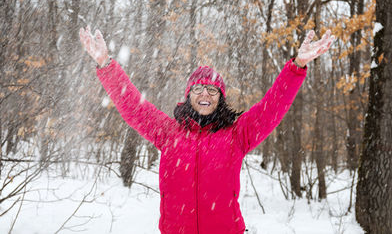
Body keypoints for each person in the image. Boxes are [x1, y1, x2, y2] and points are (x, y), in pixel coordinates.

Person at [79, 27, 335, 234]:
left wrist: (297, 65)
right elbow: (133, 106)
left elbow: (273, 107)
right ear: (188, 95)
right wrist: (106, 64)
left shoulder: (237, 135)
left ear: (220, 98)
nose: (205, 94)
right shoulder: (170, 133)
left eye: (212, 90)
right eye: (198, 89)